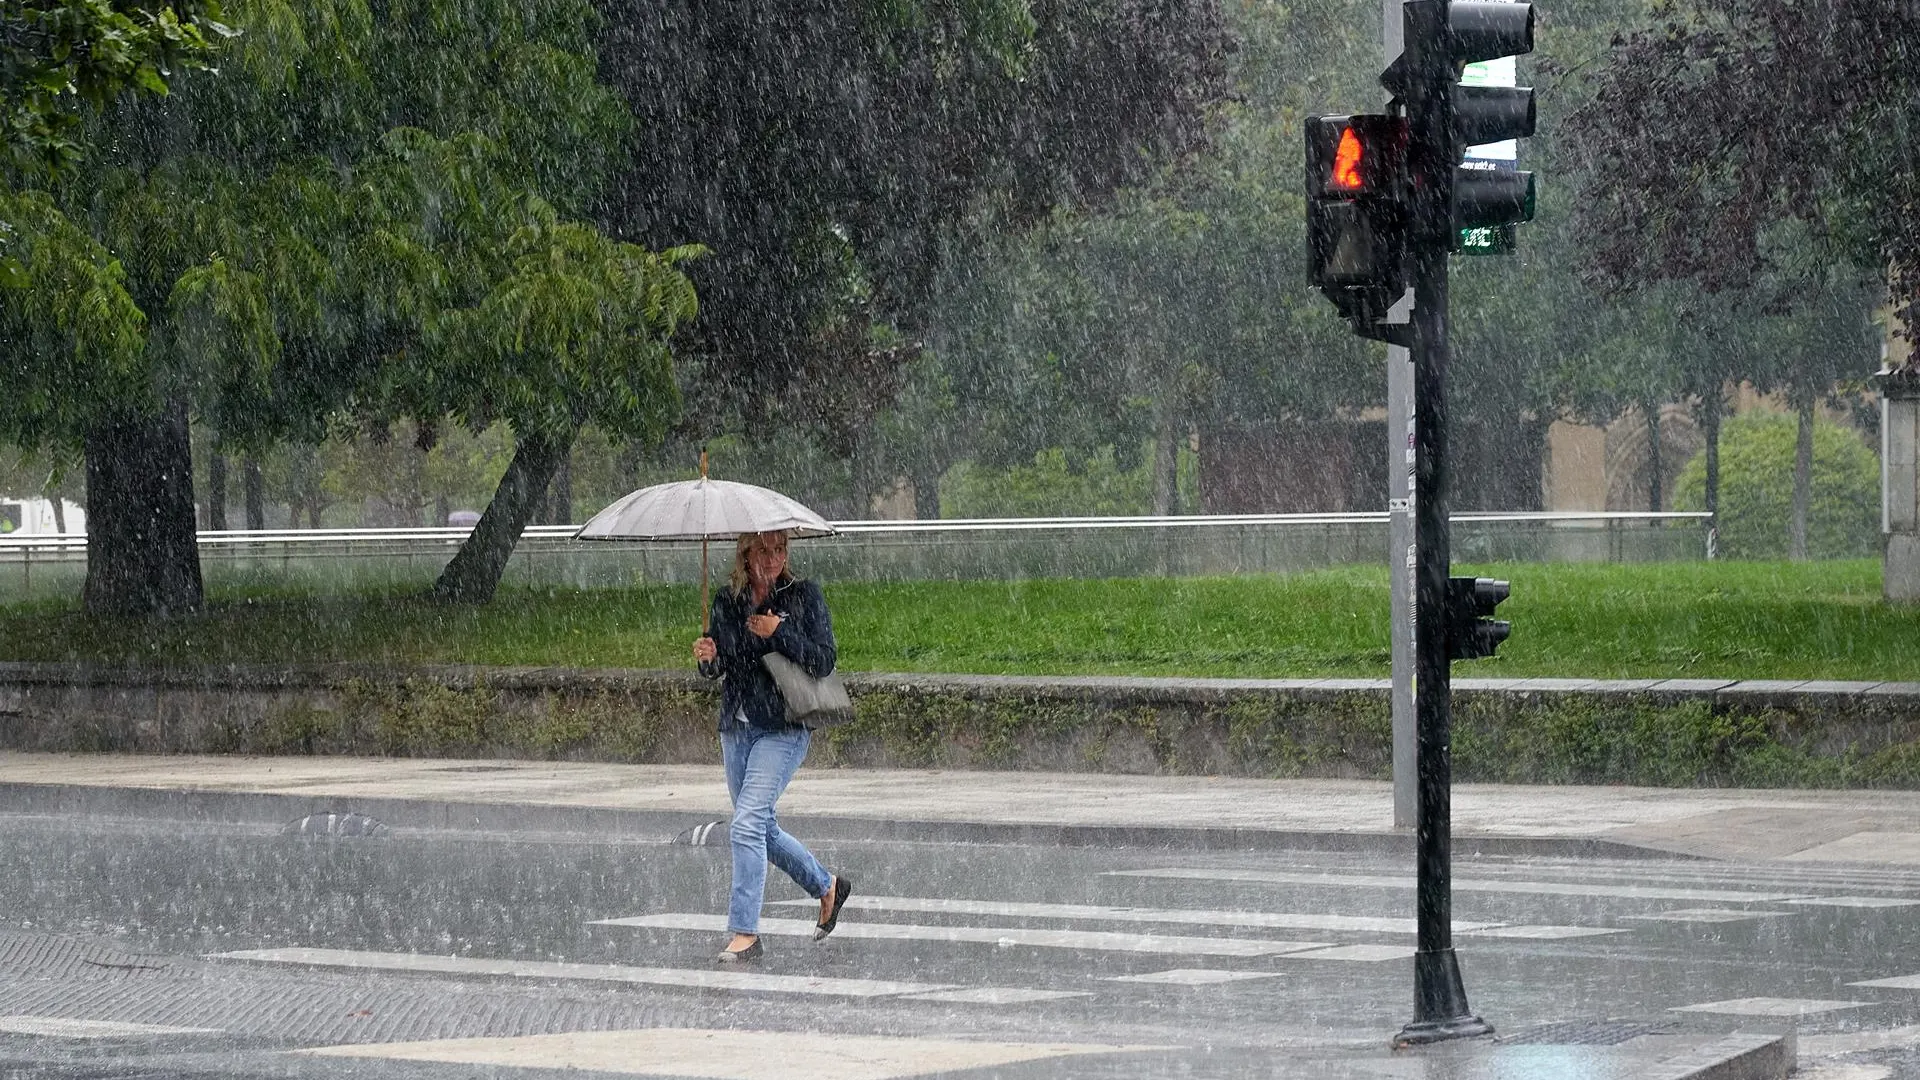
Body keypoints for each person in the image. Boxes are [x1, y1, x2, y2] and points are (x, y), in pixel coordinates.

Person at [692, 529, 852, 963]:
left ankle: (745, 932)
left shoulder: (803, 596)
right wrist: (708, 659)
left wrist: (779, 630)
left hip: (784, 726)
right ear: (746, 552)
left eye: (780, 549)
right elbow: (726, 663)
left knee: (745, 826)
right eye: (764, 549)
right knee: (759, 827)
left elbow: (823, 659)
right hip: (737, 727)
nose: (774, 557)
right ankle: (827, 886)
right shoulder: (728, 600)